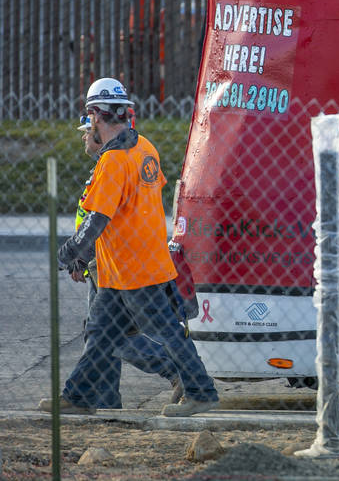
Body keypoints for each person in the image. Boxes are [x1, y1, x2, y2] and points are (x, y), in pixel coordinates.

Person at [39, 77, 218, 416]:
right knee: (100, 335)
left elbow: (96, 221)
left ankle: (201, 391)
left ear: (95, 116)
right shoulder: (145, 148)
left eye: (88, 118)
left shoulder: (113, 163)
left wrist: (70, 252)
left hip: (135, 271)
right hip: (125, 270)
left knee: (166, 331)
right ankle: (78, 397)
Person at [69, 112, 184, 409]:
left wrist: (82, 256)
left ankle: (175, 369)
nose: (84, 136)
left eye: (87, 130)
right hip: (101, 260)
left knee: (110, 335)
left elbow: (106, 220)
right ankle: (106, 401)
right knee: (98, 332)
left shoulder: (115, 165)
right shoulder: (105, 167)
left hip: (110, 262)